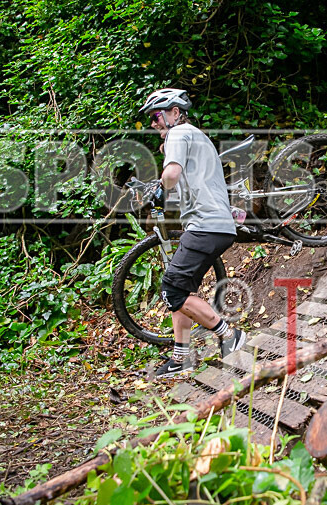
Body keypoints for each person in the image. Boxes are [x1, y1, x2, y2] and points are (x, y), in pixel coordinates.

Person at [139, 88, 246, 378]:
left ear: (175, 112)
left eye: (156, 116)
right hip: (211, 224)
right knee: (182, 290)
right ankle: (181, 357)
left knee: (172, 289)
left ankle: (228, 336)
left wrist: (160, 187)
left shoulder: (179, 133)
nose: (153, 123)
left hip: (207, 225)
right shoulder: (191, 136)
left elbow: (171, 174)